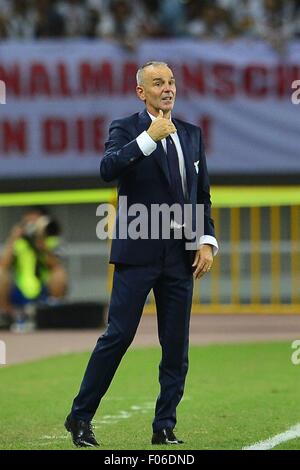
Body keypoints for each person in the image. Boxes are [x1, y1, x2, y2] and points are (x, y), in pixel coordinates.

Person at [65, 61, 219, 447]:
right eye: (157, 83)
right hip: (138, 250)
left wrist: (206, 240)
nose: (167, 88)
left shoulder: (192, 134)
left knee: (176, 346)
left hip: (180, 255)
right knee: (117, 336)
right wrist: (149, 137)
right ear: (141, 92)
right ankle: (80, 417)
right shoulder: (127, 128)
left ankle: (164, 426)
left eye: (170, 82)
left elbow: (200, 195)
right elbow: (107, 169)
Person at [0, 206, 68, 329]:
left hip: (44, 288)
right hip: (20, 289)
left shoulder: (52, 241)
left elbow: (56, 266)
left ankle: (52, 313)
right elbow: (4, 265)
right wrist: (12, 239)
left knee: (59, 273)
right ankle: (6, 316)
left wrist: (42, 245)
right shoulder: (18, 243)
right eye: (27, 223)